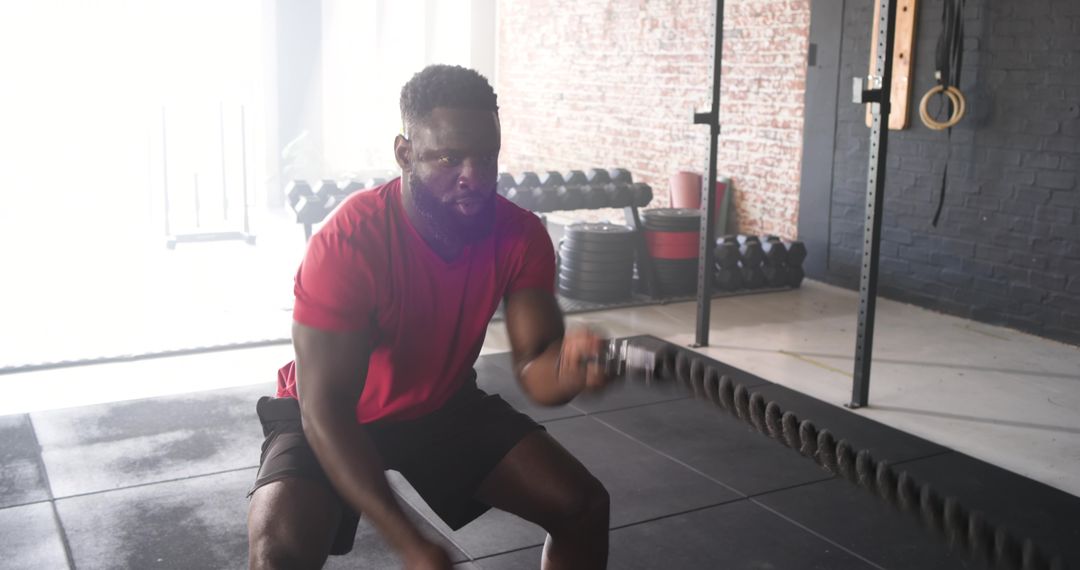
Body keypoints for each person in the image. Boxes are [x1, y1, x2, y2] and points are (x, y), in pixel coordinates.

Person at [246, 64, 611, 570]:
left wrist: (570, 370)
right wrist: (412, 544)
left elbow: (537, 371)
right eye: (449, 158)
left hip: (439, 404)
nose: (473, 178)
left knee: (582, 506)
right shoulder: (347, 242)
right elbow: (325, 409)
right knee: (277, 556)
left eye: (486, 158)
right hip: (331, 411)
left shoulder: (521, 236)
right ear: (404, 154)